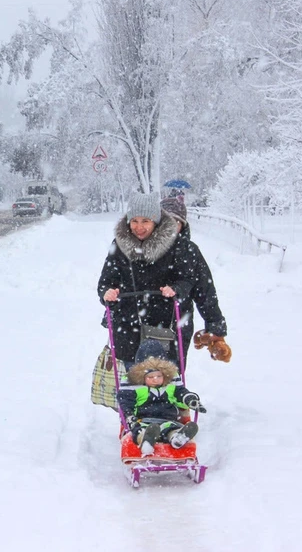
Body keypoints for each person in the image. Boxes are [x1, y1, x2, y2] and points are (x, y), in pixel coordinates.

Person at [97, 192, 195, 365]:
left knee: (162, 383)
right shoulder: (119, 245)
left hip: (163, 325)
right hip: (127, 325)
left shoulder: (176, 245)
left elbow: (187, 279)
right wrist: (107, 292)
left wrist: (176, 289)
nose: (139, 227)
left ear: (155, 221)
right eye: (134, 221)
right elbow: (106, 280)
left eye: (145, 221)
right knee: (132, 386)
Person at [159, 197, 232, 363]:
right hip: (143, 322)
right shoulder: (143, 248)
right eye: (166, 221)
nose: (170, 227)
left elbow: (205, 292)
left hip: (178, 322)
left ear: (182, 226)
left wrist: (215, 329)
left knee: (172, 376)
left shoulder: (190, 252)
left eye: (176, 222)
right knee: (139, 376)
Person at [116, 354, 206, 456]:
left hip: (167, 420)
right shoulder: (137, 389)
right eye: (151, 377)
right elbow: (126, 402)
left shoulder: (170, 387)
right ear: (142, 377)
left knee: (171, 429)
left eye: (159, 376)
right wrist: (129, 416)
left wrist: (190, 399)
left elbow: (181, 393)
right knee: (140, 430)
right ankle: (145, 441)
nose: (155, 379)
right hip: (143, 421)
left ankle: (177, 438)